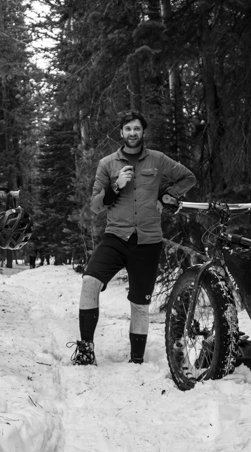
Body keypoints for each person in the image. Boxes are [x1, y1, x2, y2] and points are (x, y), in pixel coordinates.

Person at [70, 110, 197, 366]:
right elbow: (95, 205)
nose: (132, 133)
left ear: (143, 132)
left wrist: (167, 196)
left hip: (148, 241)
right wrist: (116, 185)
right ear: (121, 132)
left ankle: (137, 359)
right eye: (128, 128)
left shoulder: (158, 160)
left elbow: (188, 177)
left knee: (140, 303)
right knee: (90, 281)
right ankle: (85, 350)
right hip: (115, 237)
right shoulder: (107, 164)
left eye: (136, 128)